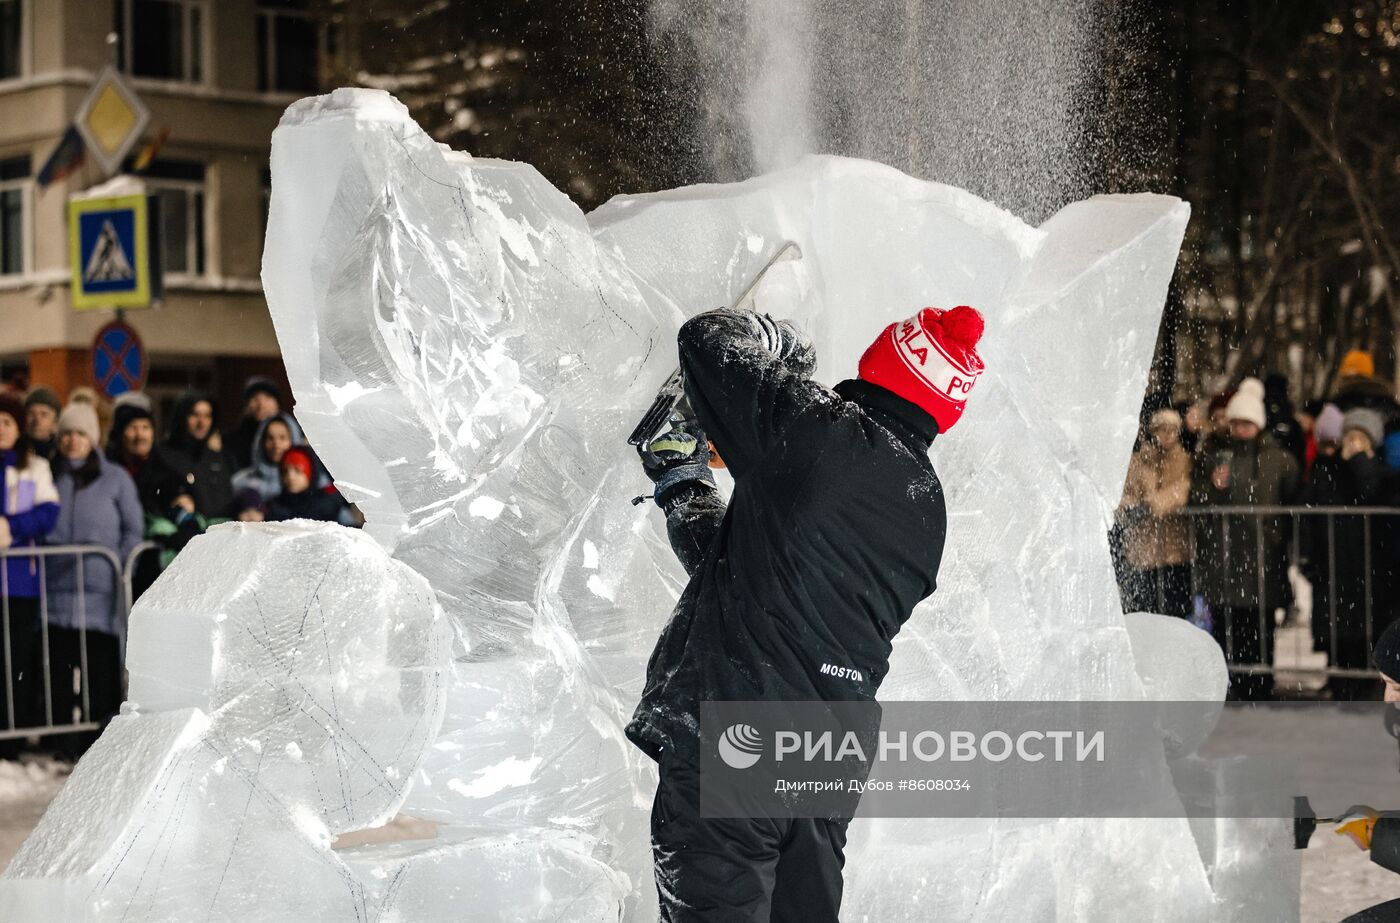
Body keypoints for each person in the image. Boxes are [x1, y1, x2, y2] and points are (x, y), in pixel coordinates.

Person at [629, 305, 982, 921]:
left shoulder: (817, 429)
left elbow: (706, 342)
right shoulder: (928, 510)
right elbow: (754, 577)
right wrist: (684, 483)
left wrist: (779, 345)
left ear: (884, 361)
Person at [1191, 380, 1300, 700]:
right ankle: (1231, 682)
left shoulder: (1278, 460)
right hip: (1225, 558)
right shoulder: (1215, 457)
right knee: (1228, 625)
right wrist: (1212, 487)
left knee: (1260, 625)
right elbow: (1196, 502)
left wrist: (1281, 538)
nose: (1241, 428)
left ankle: (1261, 683)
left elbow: (1293, 500)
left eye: (1247, 422)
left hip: (1263, 556)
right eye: (1237, 422)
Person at [43, 403, 142, 755]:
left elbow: (134, 527)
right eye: (67, 433)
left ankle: (100, 737)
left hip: (100, 592)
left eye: (81, 433)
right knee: (58, 668)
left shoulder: (115, 477)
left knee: (99, 669)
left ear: (93, 438)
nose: (73, 440)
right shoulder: (48, 474)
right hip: (54, 592)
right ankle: (62, 739)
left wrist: (116, 562)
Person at [1300, 408, 1392, 699]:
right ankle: (1339, 678)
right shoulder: (1328, 470)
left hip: (1367, 565)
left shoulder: (1377, 471)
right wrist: (1307, 555)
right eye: (1348, 437)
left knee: (1365, 627)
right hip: (1334, 562)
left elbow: (1373, 491)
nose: (1352, 444)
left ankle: (1364, 680)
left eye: (1359, 438)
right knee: (1336, 628)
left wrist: (1361, 463)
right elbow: (1310, 512)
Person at [0, 393, 59, 742]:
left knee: (17, 660)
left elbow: (48, 513)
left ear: (18, 427)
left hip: (21, 580)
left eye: (7, 422)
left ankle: (15, 733)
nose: (1, 429)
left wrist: (10, 527)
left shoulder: (34, 467)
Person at [1117, 408, 1193, 617]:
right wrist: (1131, 507)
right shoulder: (1139, 461)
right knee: (1146, 610)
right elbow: (1124, 492)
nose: (1167, 435)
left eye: (1172, 430)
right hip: (1144, 548)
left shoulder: (1185, 460)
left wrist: (1153, 505)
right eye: (1162, 430)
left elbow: (1185, 489)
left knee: (1174, 610)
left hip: (1174, 547)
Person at [155, 391, 235, 520]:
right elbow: (154, 497)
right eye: (194, 415)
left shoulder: (215, 457)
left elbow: (228, 500)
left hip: (220, 533)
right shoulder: (163, 455)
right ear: (181, 416)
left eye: (207, 416)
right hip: (182, 533)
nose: (202, 422)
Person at [232, 413, 304, 503]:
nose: (276, 445)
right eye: (270, 438)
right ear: (261, 443)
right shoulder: (240, 483)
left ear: (294, 440)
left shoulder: (310, 484)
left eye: (283, 438)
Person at [267, 447, 346, 523]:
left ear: (310, 473)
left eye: (298, 470)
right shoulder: (274, 507)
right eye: (285, 471)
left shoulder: (328, 505)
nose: (290, 476)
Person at [226, 377, 285, 470]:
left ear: (277, 403)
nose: (261, 404)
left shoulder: (296, 434)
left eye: (267, 397)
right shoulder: (232, 441)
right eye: (255, 398)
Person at [22, 387, 61, 463]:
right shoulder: (15, 450)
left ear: (55, 420)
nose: (37, 420)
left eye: (44, 414)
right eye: (32, 413)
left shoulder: (62, 453)